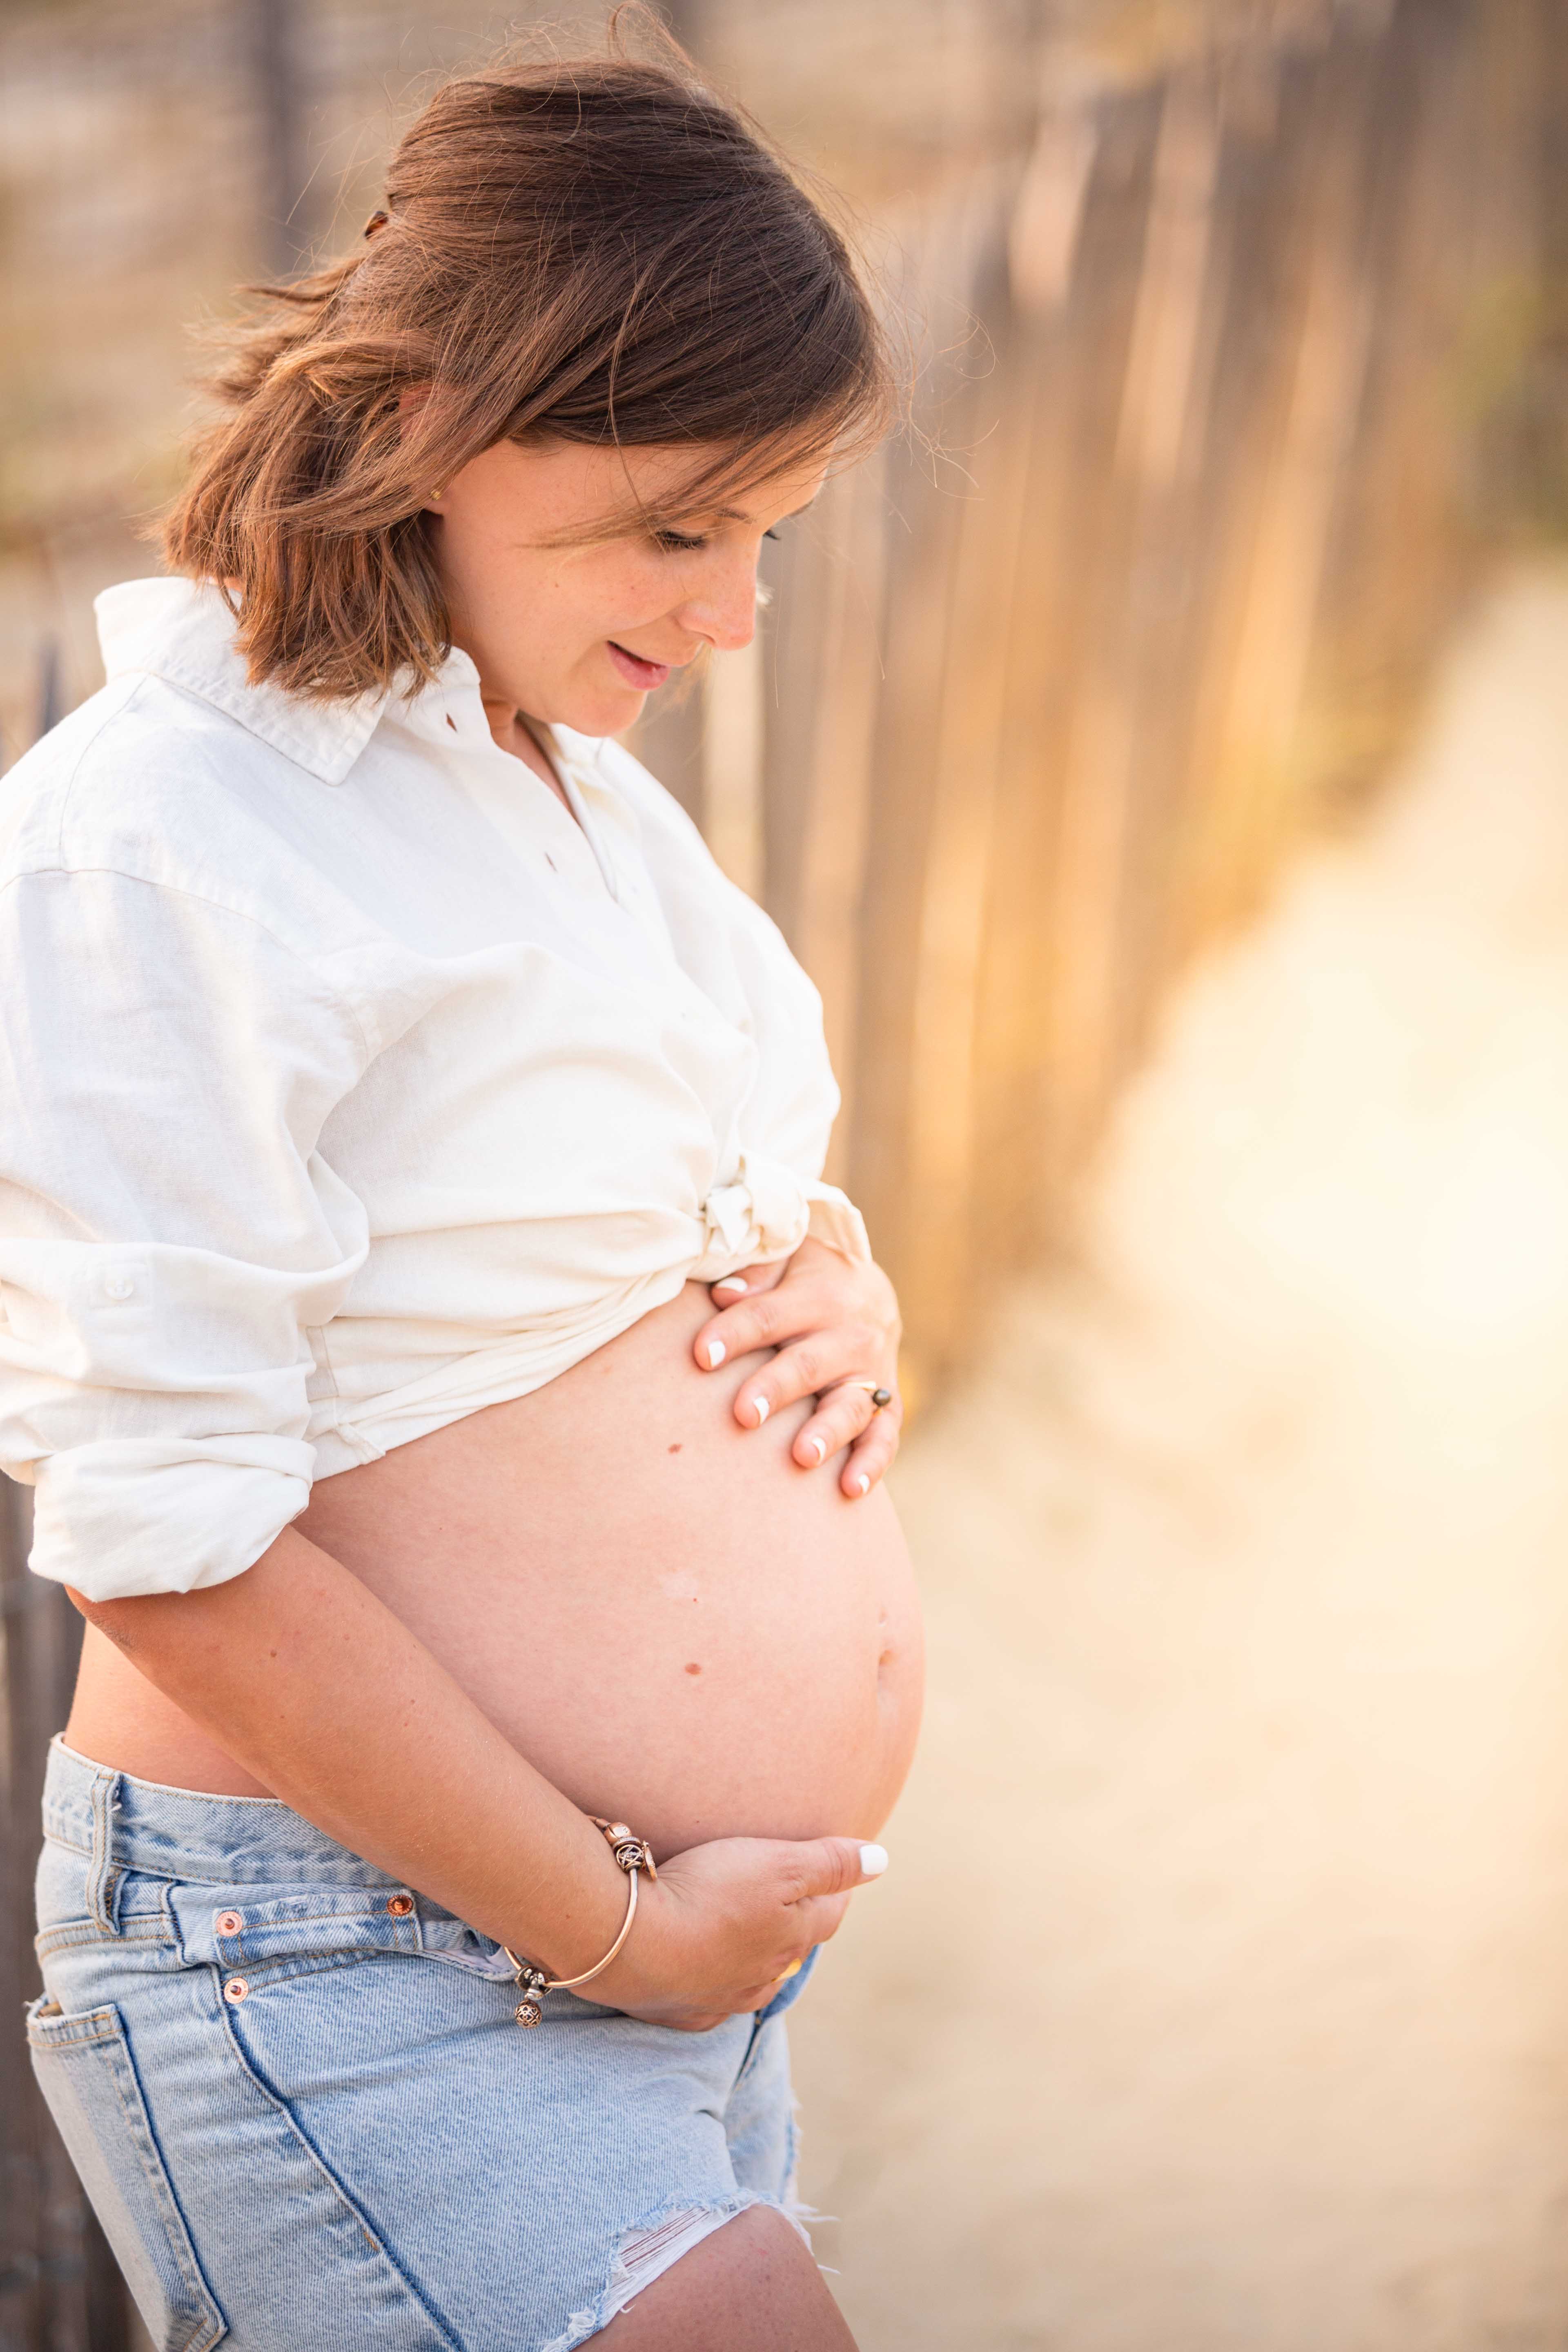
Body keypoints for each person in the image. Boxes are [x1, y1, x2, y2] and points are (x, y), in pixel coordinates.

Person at [0, 31, 923, 2352]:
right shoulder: (160, 840)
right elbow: (169, 1540)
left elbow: (640, 1223)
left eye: (766, 537)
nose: (732, 619)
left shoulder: (564, 792)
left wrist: (844, 1286)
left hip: (629, 1952)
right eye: (675, 525)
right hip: (352, 1956)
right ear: (438, 417)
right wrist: (610, 1934)